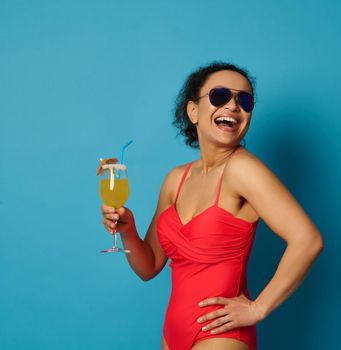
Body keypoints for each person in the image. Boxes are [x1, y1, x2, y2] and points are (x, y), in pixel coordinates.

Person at [100, 62, 323, 350]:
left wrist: (258, 308)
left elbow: (308, 240)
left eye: (244, 100)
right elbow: (149, 266)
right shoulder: (175, 179)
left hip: (220, 336)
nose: (233, 105)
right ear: (193, 111)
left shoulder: (243, 169)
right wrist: (128, 230)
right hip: (172, 332)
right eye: (220, 96)